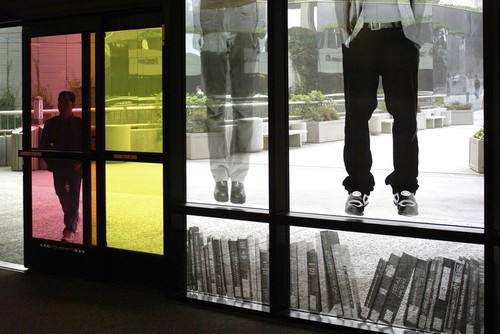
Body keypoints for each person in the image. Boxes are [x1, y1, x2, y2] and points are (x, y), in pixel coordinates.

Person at [335, 0, 428, 216]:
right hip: (361, 35)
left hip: (400, 35)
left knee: (405, 115)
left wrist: (414, 34)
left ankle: (405, 187)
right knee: (356, 115)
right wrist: (344, 37)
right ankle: (358, 186)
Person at [193, 0, 265, 204]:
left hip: (243, 11)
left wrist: (262, 27)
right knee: (215, 106)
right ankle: (221, 179)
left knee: (243, 108)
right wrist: (196, 26)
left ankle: (238, 180)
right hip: (212, 13)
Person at [40, 91, 83, 242]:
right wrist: (51, 164)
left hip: (75, 166)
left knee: (72, 196)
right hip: (59, 165)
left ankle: (70, 228)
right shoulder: (50, 124)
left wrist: (80, 161)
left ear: (73, 104)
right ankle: (74, 218)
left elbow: (85, 146)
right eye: (60, 101)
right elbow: (44, 146)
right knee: (61, 194)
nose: (62, 104)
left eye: (65, 101)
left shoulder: (80, 124)